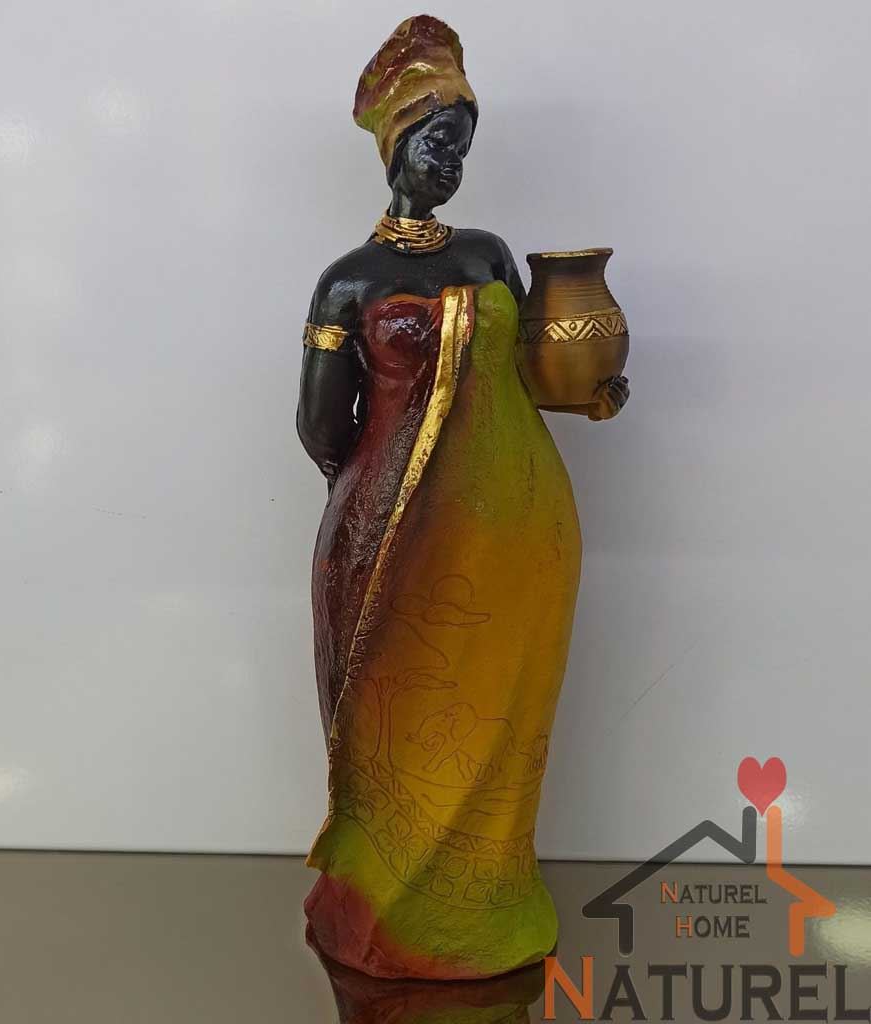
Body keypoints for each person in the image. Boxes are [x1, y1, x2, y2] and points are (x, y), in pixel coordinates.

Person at [297, 15, 628, 980]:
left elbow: (530, 373)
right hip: (387, 530)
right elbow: (318, 426)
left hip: (514, 528)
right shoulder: (348, 282)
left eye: (463, 145)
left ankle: (483, 896)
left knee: (493, 702)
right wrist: (382, 495)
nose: (450, 162)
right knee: (396, 704)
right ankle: (388, 909)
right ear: (397, 144)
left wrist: (593, 387)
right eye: (437, 140)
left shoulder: (486, 256)